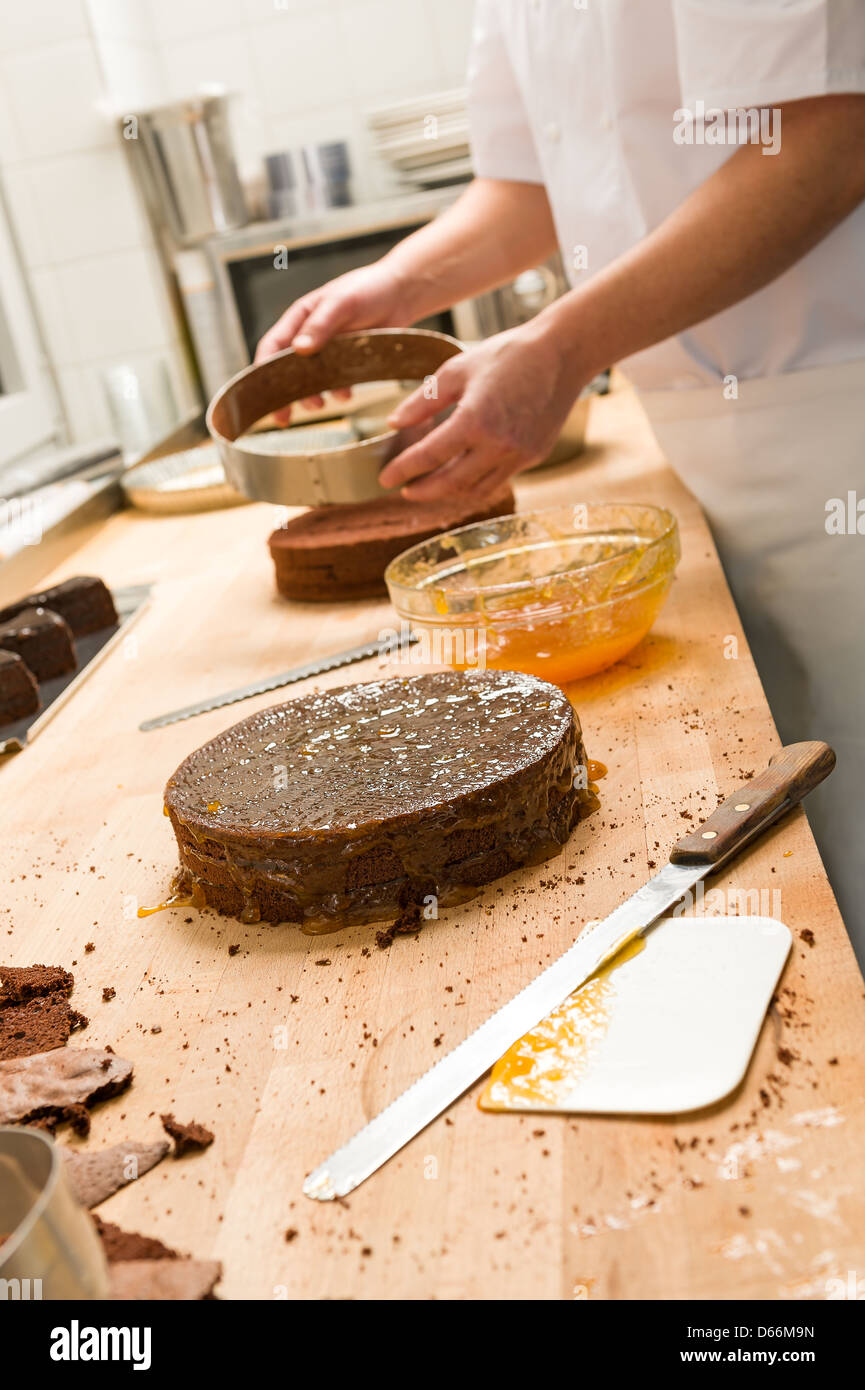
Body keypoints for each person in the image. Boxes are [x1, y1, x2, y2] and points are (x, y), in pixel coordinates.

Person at [257, 1, 865, 958]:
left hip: (839, 418)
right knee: (814, 837)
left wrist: (561, 346)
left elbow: (827, 140)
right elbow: (531, 184)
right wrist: (391, 288)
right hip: (702, 440)